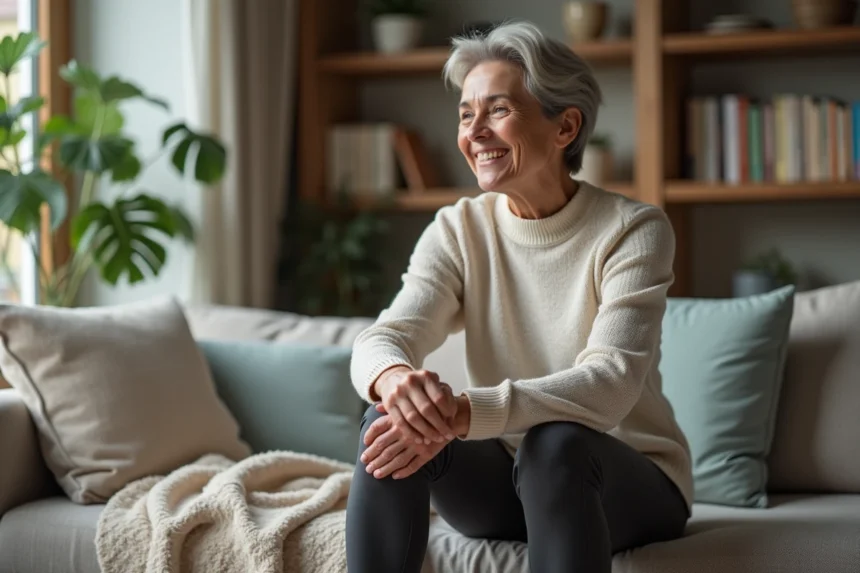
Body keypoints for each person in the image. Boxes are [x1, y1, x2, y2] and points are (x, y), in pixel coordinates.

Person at [345, 20, 693, 573]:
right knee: (386, 420)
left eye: (498, 110)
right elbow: (382, 338)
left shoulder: (632, 230)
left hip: (622, 482)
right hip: (504, 489)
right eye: (466, 115)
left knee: (555, 444)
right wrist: (394, 382)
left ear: (565, 127)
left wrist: (462, 413)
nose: (475, 132)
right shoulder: (458, 229)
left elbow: (609, 384)